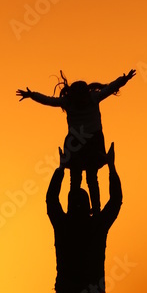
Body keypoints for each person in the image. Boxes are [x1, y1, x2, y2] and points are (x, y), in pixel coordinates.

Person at [17, 68, 134, 213]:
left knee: (83, 177)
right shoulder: (83, 99)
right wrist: (123, 80)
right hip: (85, 142)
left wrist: (123, 80)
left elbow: (49, 101)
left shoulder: (82, 99)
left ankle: (87, 209)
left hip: (84, 142)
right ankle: (88, 209)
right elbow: (110, 88)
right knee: (85, 177)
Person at [45, 141, 122, 293]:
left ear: (69, 206)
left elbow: (51, 199)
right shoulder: (96, 226)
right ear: (89, 208)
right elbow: (116, 200)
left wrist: (61, 169)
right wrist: (111, 167)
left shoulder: (62, 225)